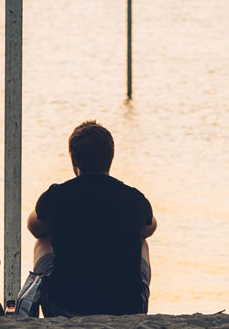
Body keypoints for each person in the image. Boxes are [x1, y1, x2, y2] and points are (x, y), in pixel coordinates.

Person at [16, 120, 155, 316]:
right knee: (142, 241)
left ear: (74, 160)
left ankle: (33, 305)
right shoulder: (133, 198)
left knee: (43, 240)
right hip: (127, 308)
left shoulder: (56, 196)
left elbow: (34, 227)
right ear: (111, 158)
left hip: (64, 306)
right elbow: (150, 228)